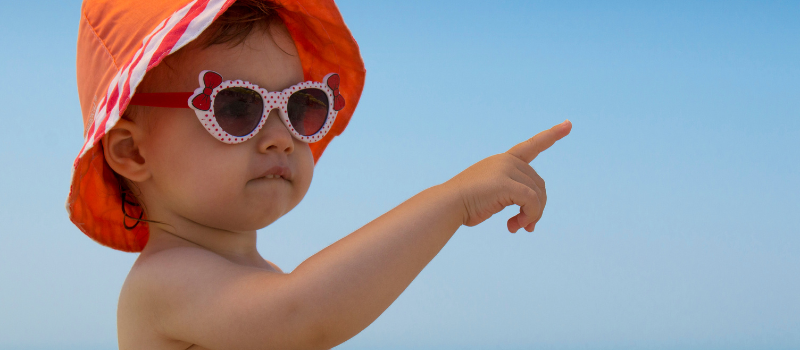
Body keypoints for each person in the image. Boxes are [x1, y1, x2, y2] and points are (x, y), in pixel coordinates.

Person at [67, 0, 572, 348]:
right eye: (237, 107)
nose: (282, 135)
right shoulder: (164, 283)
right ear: (133, 151)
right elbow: (304, 316)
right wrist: (453, 200)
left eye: (301, 106)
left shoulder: (250, 279)